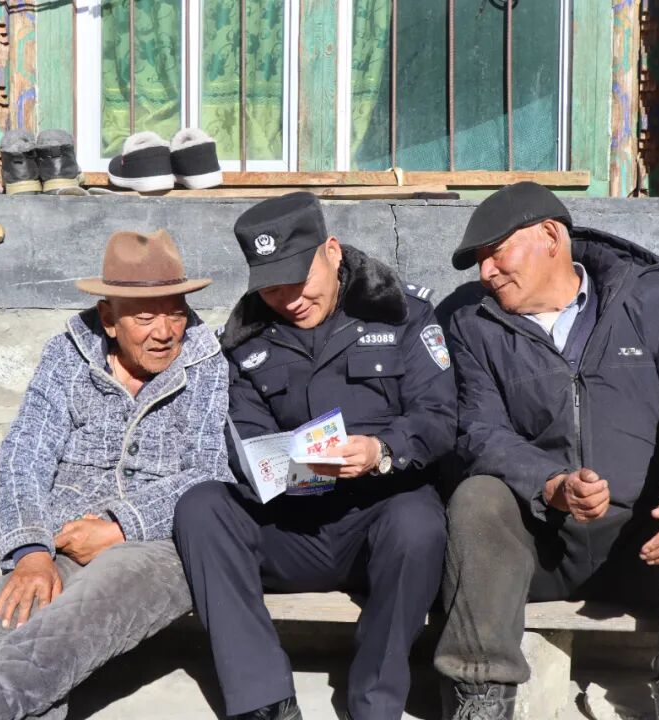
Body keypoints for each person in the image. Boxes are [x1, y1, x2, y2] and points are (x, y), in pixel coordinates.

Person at [433, 183, 659, 720]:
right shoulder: (470, 322)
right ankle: (481, 696)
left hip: (645, 541)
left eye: (495, 253)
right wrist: (550, 483)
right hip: (539, 544)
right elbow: (477, 430)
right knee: (478, 500)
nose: (486, 273)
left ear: (550, 236)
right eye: (479, 262)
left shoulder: (649, 300)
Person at [0, 230, 233, 720]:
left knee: (112, 585)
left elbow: (212, 470)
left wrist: (120, 526)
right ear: (109, 318)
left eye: (175, 312)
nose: (165, 331)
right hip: (62, 537)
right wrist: (30, 552)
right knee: (18, 603)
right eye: (145, 317)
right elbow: (24, 455)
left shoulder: (207, 362)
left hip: (160, 542)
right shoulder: (68, 355)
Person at [173, 192, 457, 720]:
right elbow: (248, 446)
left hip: (379, 521)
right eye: (272, 288)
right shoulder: (245, 341)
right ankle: (264, 701)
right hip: (293, 525)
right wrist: (297, 468)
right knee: (201, 507)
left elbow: (439, 418)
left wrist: (381, 450)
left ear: (331, 251)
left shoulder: (402, 313)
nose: (290, 299)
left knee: (418, 521)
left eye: (299, 281)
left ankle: (374, 703)